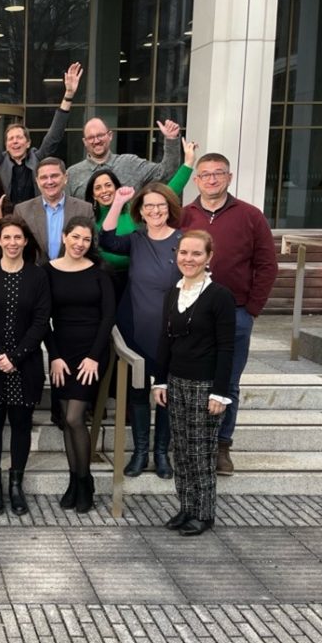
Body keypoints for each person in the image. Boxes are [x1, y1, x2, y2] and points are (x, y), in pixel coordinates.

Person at [179, 153, 277, 475]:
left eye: (218, 174)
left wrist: (252, 309)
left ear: (229, 177)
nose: (211, 179)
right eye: (205, 174)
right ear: (196, 180)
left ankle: (222, 446)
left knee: (229, 383)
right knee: (191, 380)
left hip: (235, 313)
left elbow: (266, 265)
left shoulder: (251, 215)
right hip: (191, 311)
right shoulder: (183, 216)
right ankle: (193, 443)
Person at [153, 230, 236, 536]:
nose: (189, 259)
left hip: (205, 385)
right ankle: (186, 507)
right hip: (176, 381)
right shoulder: (173, 293)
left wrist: (220, 392)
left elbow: (228, 347)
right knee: (182, 450)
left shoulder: (220, 296)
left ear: (209, 257)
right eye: (184, 253)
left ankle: (204, 513)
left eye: (196, 254)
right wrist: (159, 381)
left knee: (201, 452)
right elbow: (165, 339)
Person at [100, 183, 184, 480]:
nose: (155, 210)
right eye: (148, 206)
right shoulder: (136, 239)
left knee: (166, 394)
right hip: (135, 325)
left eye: (160, 205)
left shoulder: (181, 240)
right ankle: (139, 452)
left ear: (170, 207)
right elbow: (107, 239)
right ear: (141, 211)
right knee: (138, 392)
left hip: (172, 332)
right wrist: (118, 202)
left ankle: (161, 453)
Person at [0, 217, 50, 516]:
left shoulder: (37, 276)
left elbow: (42, 321)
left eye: (18, 237)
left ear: (26, 241)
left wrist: (15, 357)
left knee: (21, 425)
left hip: (25, 364)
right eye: (7, 237)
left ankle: (16, 485)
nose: (13, 242)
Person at [44, 217, 115, 514]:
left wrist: (94, 356)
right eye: (75, 237)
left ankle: (86, 482)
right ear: (64, 237)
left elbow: (108, 316)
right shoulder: (47, 271)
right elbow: (42, 318)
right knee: (64, 418)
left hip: (91, 353)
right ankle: (74, 482)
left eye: (86, 239)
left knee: (75, 418)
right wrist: (55, 355)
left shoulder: (100, 272)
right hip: (62, 353)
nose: (79, 244)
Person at [85, 137, 197, 301]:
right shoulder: (88, 215)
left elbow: (169, 192)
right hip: (103, 279)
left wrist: (188, 162)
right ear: (93, 194)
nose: (104, 191)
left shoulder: (134, 208)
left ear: (117, 187)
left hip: (136, 278)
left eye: (108, 185)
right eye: (98, 188)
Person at [0, 63, 82, 205]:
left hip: (35, 218)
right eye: (11, 139)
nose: (15, 141)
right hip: (7, 219)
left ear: (28, 142)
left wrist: (69, 95)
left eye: (19, 137)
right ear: (6, 145)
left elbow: (54, 135)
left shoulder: (38, 159)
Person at [66, 117, 182, 200]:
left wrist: (171, 140)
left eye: (100, 135)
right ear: (85, 142)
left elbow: (165, 173)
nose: (96, 141)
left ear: (110, 135)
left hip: (129, 233)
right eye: (91, 137)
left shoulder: (131, 163)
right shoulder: (72, 174)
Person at [13, 158, 94, 265]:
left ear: (65, 178)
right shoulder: (22, 211)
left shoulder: (84, 209)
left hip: (72, 273)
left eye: (54, 176)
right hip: (35, 275)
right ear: (37, 181)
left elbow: (92, 246)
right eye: (44, 177)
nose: (49, 181)